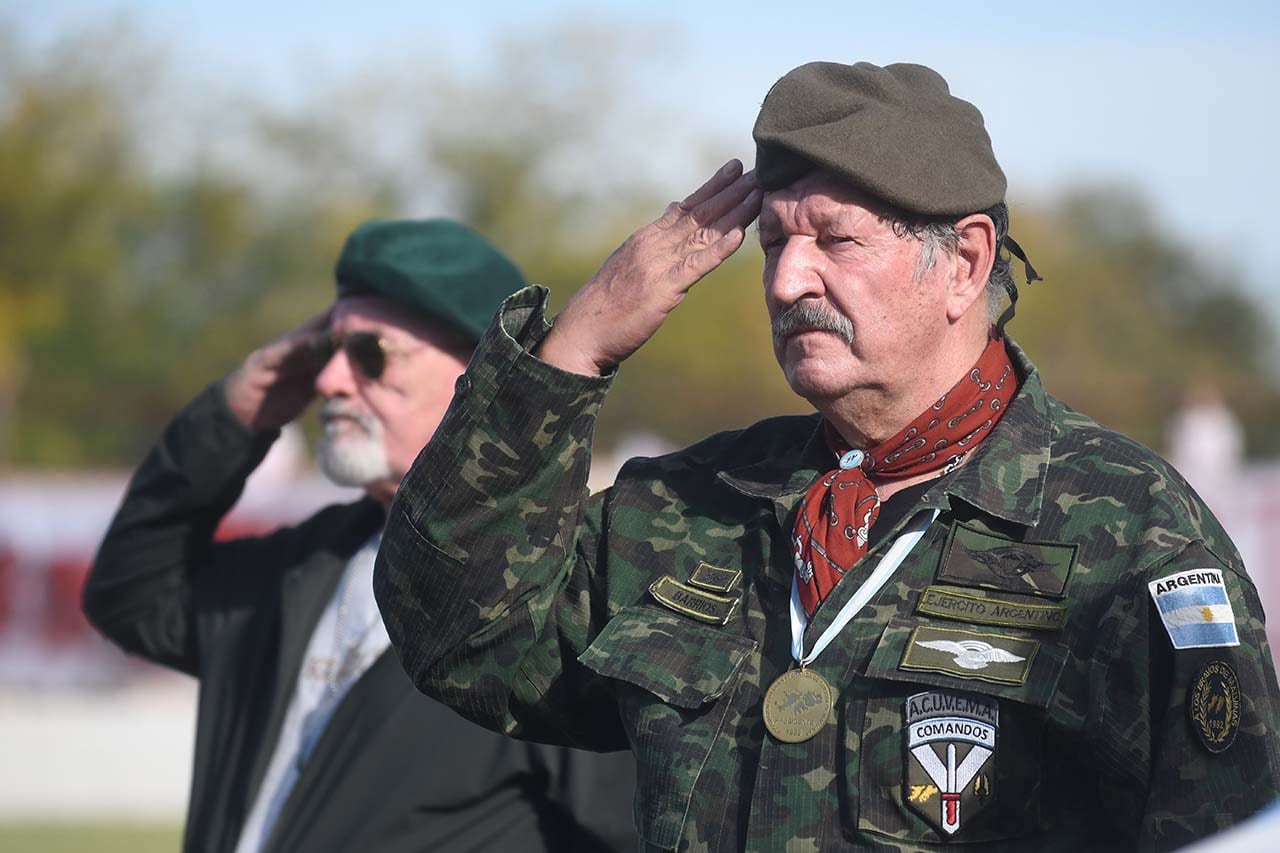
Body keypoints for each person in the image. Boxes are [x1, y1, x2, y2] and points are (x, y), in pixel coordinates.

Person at [372, 63, 1280, 851]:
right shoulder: (695, 505)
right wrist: (572, 352)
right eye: (772, 242)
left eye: (835, 239)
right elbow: (460, 635)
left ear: (965, 262)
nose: (785, 279)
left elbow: (1233, 828)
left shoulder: (1125, 528)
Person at [83, 219, 637, 853]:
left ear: (478, 376)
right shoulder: (301, 566)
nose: (327, 383)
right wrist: (232, 419)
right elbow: (131, 594)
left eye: (369, 355)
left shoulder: (562, 598)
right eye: (324, 352)